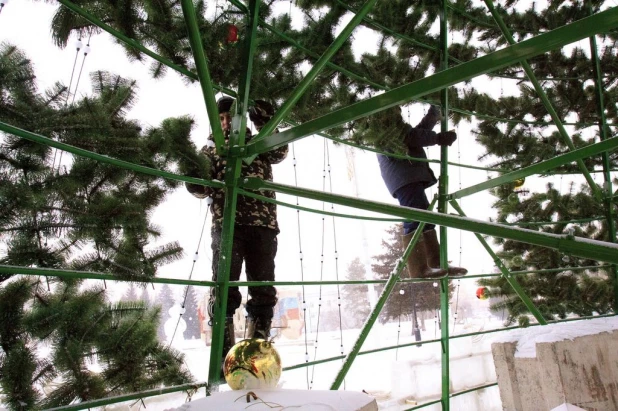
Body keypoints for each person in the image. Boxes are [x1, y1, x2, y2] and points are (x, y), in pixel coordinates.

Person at [185, 96, 288, 362]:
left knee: (263, 289)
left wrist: (261, 113)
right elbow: (199, 187)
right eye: (221, 118)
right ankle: (224, 355)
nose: (227, 122)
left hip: (263, 225)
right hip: (227, 224)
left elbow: (280, 150)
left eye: (231, 116)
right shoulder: (211, 150)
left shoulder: (259, 143)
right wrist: (192, 172)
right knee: (224, 286)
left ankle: (256, 355)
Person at [376, 105, 467, 279]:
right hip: (403, 177)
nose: (399, 113)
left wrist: (432, 117)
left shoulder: (389, 126)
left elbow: (416, 134)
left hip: (406, 176)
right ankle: (419, 269)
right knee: (415, 218)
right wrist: (438, 138)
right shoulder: (385, 127)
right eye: (396, 111)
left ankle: (435, 264)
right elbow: (412, 137)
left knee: (425, 217)